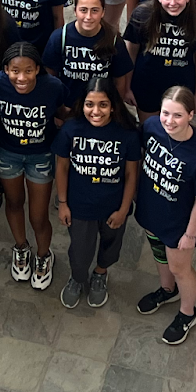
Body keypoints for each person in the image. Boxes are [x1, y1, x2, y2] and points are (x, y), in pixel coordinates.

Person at [133, 87, 196, 346]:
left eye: (178, 115)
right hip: (151, 210)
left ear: (191, 115)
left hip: (179, 223)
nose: (169, 121)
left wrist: (190, 234)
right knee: (159, 255)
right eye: (165, 113)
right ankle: (167, 291)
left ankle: (187, 313)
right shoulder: (151, 128)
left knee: (180, 267)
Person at [53, 79, 140, 309]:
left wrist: (124, 209)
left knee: (111, 246)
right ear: (82, 105)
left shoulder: (128, 134)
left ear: (113, 106)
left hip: (114, 205)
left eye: (103, 104)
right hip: (80, 205)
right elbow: (61, 167)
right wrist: (62, 203)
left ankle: (101, 273)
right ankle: (78, 278)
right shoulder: (71, 129)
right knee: (80, 251)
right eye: (90, 104)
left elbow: (132, 174)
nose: (96, 111)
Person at [0, 41, 66, 289]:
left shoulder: (53, 87)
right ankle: (21, 248)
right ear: (5, 70)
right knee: (13, 203)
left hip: (40, 156)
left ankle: (44, 256)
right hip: (7, 154)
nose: (21, 77)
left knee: (38, 215)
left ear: (38, 69)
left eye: (28, 71)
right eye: (14, 71)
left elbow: (64, 112)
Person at [124, 0, 196, 120]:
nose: (173, 3)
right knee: (149, 128)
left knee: (174, 128)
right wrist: (126, 86)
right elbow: (131, 52)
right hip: (146, 82)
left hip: (182, 84)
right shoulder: (142, 14)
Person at [43, 0, 133, 107]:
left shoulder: (114, 40)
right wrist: (59, 109)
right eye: (83, 10)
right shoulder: (60, 37)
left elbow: (119, 81)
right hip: (68, 108)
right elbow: (50, 77)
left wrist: (114, 109)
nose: (88, 17)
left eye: (95, 10)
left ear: (103, 12)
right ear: (75, 11)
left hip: (100, 111)